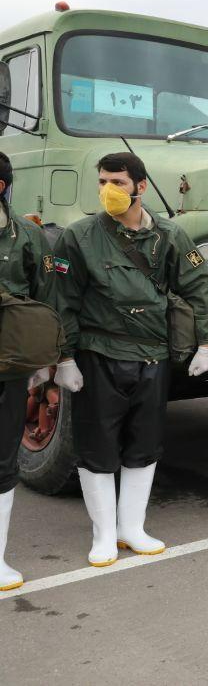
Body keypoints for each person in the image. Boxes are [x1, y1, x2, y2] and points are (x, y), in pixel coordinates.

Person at [52, 152, 208, 565]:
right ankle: (103, 533)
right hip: (99, 354)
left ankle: (132, 527)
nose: (108, 190)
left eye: (118, 182)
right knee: (97, 447)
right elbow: (63, 301)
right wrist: (64, 357)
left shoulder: (170, 235)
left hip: (152, 356)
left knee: (144, 445)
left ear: (141, 187)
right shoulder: (80, 235)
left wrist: (206, 344)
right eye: (103, 182)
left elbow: (196, 288)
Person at [0, 153, 56, 590]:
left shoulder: (29, 237)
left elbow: (44, 296)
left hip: (9, 365)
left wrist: (44, 359)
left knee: (3, 463)